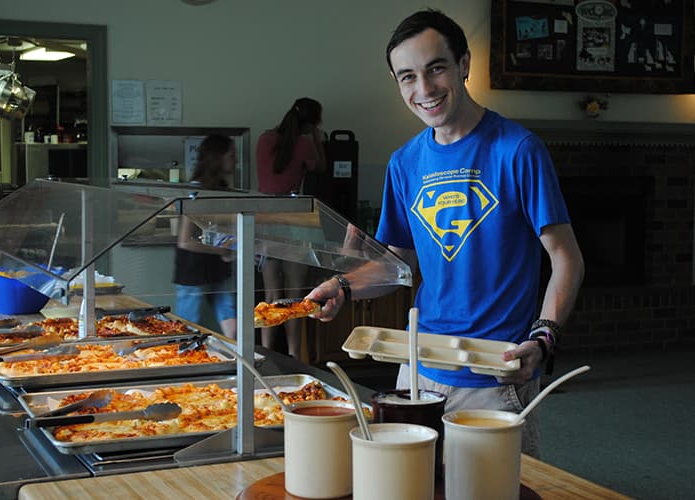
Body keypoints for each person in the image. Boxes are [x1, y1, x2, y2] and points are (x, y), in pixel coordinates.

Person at [307, 9, 584, 458]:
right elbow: (399, 262)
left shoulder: (518, 150)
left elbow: (566, 257)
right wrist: (345, 285)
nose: (424, 89)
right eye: (407, 77)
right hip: (417, 370)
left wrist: (544, 336)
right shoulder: (404, 163)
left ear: (464, 65)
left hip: (495, 376)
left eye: (436, 68)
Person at [256, 97, 327, 358]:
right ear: (312, 124)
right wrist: (318, 139)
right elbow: (320, 167)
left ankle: (265, 355)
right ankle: (295, 357)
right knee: (296, 297)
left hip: (265, 220)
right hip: (296, 219)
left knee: (271, 293)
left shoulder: (264, 139)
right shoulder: (306, 143)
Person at [173, 135, 238, 339]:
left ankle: (237, 367)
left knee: (233, 326)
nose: (235, 161)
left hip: (217, 266)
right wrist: (222, 249)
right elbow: (184, 241)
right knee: (187, 329)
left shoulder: (221, 187)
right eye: (231, 155)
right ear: (218, 157)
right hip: (193, 269)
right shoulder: (196, 190)